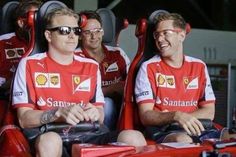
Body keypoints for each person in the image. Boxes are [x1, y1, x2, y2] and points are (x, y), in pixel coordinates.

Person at [12, 7, 146, 157]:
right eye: (64, 30)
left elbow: (101, 114)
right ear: (48, 35)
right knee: (50, 141)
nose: (71, 35)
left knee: (134, 137)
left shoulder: (91, 66)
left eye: (76, 31)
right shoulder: (29, 64)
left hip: (88, 133)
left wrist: (96, 113)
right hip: (48, 133)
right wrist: (57, 113)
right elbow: (23, 119)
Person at [135, 12, 236, 143]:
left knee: (233, 137)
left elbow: (209, 111)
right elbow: (146, 115)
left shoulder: (199, 66)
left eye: (166, 33)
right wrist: (176, 116)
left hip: (198, 127)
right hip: (165, 130)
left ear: (181, 35)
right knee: (183, 140)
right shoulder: (148, 67)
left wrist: (184, 118)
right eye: (157, 35)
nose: (159, 39)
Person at [75, 10, 130, 130]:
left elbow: (132, 84)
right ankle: (106, 139)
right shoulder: (75, 57)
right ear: (79, 35)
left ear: (103, 31)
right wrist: (112, 89)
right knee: (108, 103)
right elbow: (76, 94)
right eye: (88, 32)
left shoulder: (118, 53)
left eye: (97, 31)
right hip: (89, 110)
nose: (94, 36)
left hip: (123, 107)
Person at [0, 0, 42, 99]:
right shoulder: (2, 43)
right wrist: (19, 78)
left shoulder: (50, 43)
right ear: (21, 22)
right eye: (36, 18)